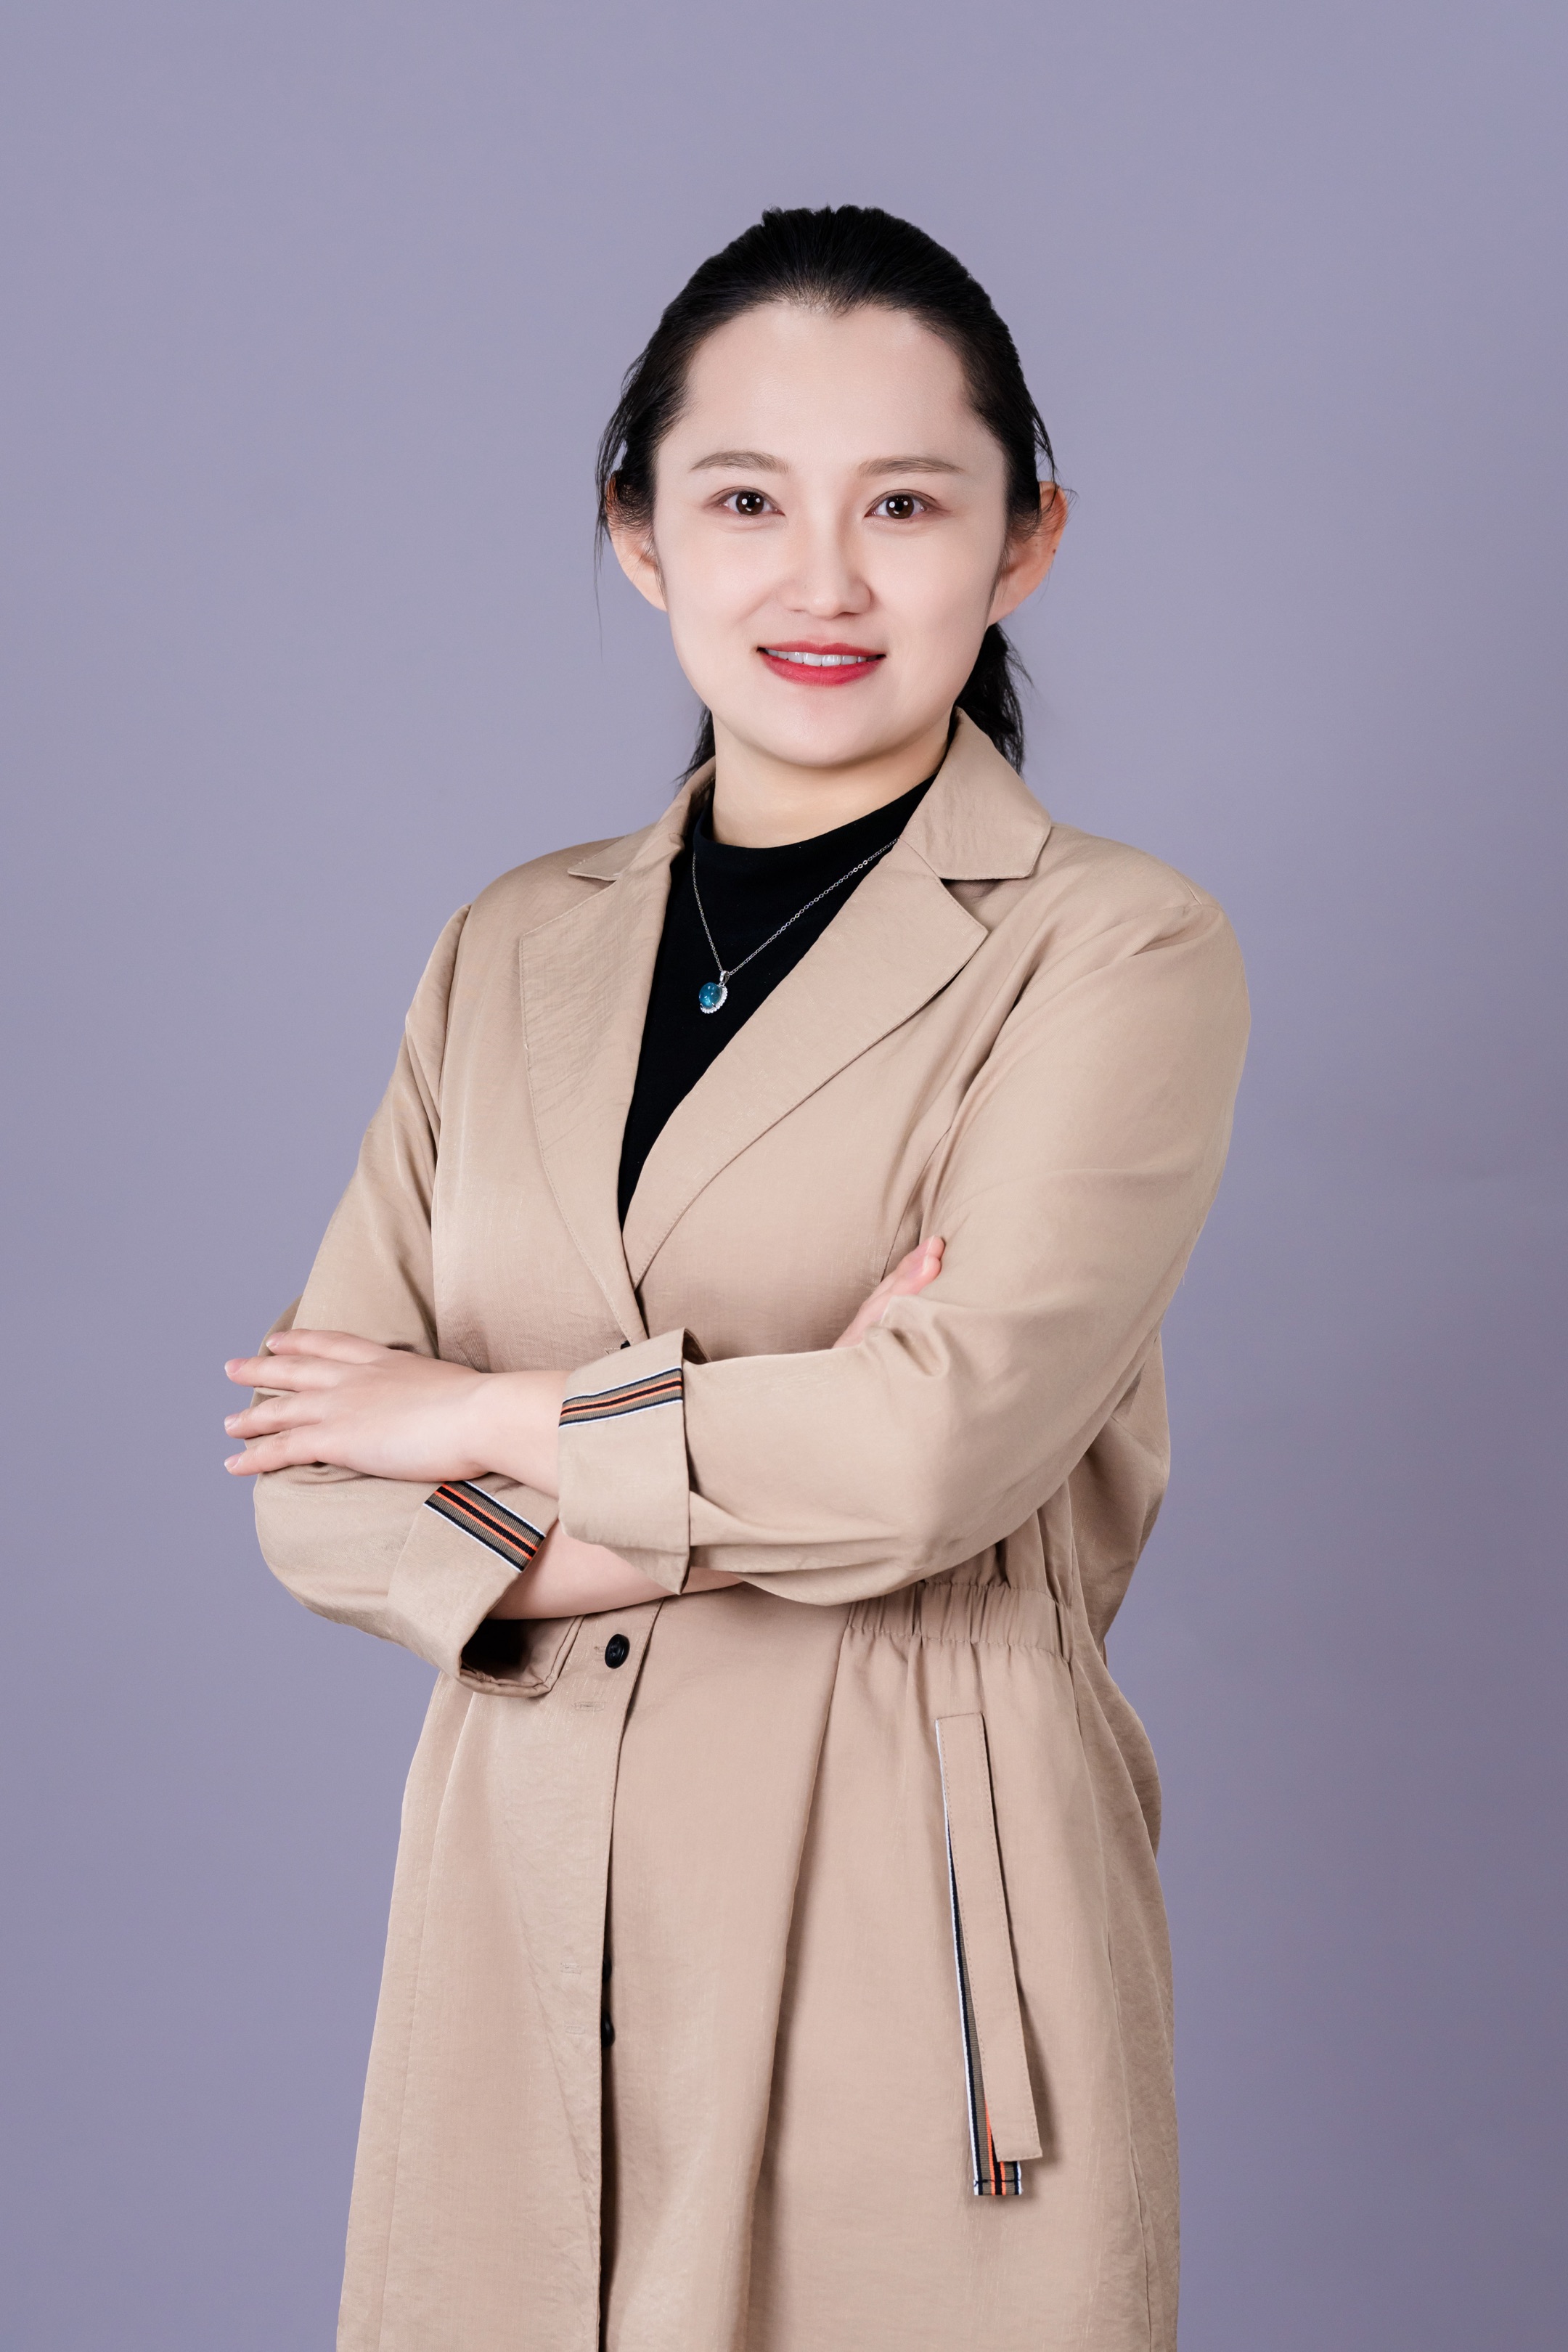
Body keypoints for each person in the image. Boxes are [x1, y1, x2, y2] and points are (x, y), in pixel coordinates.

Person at [225, 204, 1249, 2352]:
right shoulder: (509, 948)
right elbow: (314, 1492)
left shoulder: (1113, 948)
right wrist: (776, 1449)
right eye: (749, 501)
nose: (825, 581)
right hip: (519, 1899)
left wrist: (483, 1419)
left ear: (1027, 537)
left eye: (907, 504)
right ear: (640, 534)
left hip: (908, 1901)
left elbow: (927, 1461)